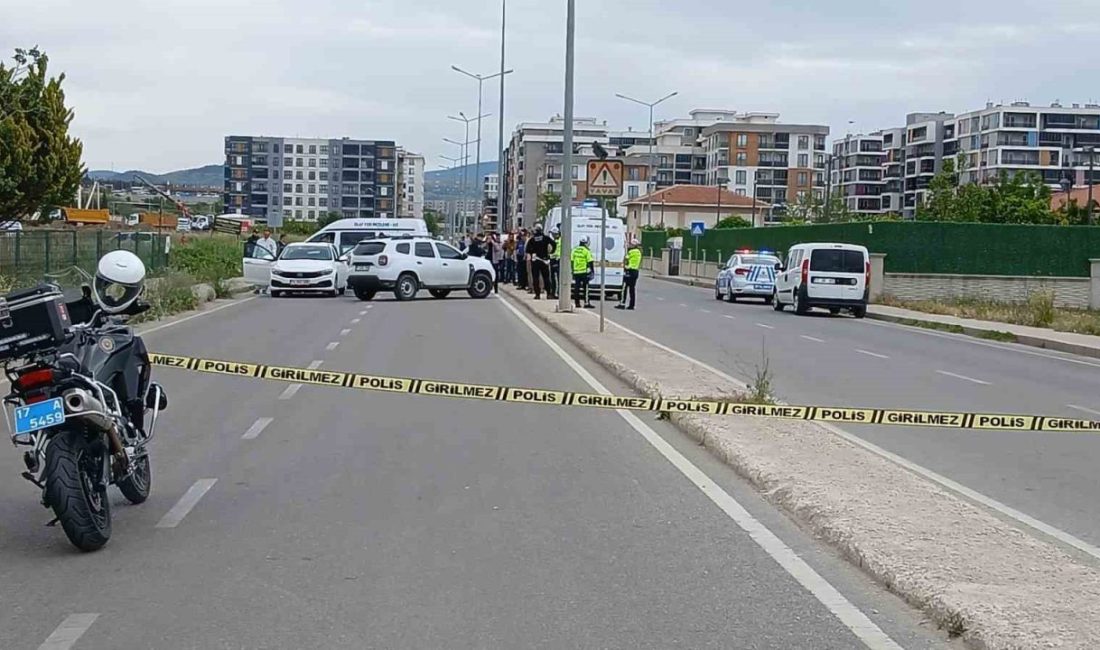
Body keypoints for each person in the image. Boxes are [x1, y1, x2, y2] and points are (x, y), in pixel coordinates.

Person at [526, 224, 553, 300]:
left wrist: (532, 253)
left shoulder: (532, 239)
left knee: (535, 278)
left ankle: (537, 294)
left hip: (535, 260)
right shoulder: (546, 238)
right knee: (546, 278)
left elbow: (527, 250)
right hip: (544, 260)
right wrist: (551, 252)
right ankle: (549, 294)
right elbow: (554, 244)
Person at [617, 238, 642, 310]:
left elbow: (625, 259)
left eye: (631, 244)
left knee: (624, 287)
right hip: (635, 271)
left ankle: (622, 303)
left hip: (629, 270)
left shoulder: (631, 252)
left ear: (633, 245)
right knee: (632, 289)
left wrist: (625, 265)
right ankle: (632, 305)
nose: (630, 245)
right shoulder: (639, 252)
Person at [571, 236, 595, 309]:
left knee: (576, 288)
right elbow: (590, 262)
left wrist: (572, 270)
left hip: (576, 272)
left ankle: (577, 303)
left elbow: (572, 261)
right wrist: (592, 271)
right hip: (584, 272)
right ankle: (586, 302)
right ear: (585, 243)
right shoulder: (586, 251)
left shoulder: (574, 250)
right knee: (586, 288)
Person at [548, 227, 561, 300]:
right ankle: (553, 293)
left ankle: (557, 293)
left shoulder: (561, 241)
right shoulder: (553, 241)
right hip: (552, 259)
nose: (552, 235)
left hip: (558, 260)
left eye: (553, 234)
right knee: (552, 278)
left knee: (557, 278)